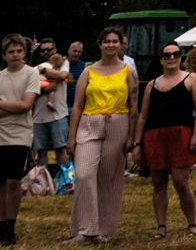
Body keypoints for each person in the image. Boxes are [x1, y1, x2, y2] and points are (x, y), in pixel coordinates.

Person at [64, 28, 136, 245]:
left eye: (115, 41)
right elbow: (77, 106)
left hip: (119, 124)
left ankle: (97, 231)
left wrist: (132, 136)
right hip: (88, 124)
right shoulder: (88, 71)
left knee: (106, 179)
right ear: (100, 44)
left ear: (121, 44)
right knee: (84, 175)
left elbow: (134, 106)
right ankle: (84, 229)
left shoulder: (128, 71)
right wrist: (71, 137)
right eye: (107, 41)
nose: (111, 45)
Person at [135, 41, 196, 238]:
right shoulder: (151, 85)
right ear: (161, 60)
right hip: (154, 137)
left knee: (181, 183)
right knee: (158, 183)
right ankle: (161, 227)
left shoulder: (191, 79)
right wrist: (137, 144)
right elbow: (143, 116)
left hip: (182, 135)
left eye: (175, 54)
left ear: (180, 57)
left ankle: (192, 225)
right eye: (167, 55)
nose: (172, 58)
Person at [0, 36, 43, 247]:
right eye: (11, 52)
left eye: (19, 51)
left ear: (24, 53)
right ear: (4, 55)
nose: (15, 55)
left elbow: (26, 106)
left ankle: (11, 229)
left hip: (20, 134)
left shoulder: (31, 73)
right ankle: (0, 229)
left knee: (14, 182)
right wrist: (3, 106)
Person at [25, 44, 68, 176]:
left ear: (55, 50)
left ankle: (65, 181)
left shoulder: (63, 62)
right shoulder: (34, 68)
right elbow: (28, 93)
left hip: (58, 114)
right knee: (41, 150)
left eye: (49, 49)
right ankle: (44, 182)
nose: (46, 52)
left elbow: (62, 75)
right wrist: (45, 91)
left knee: (60, 149)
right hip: (38, 117)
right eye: (43, 50)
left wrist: (42, 70)